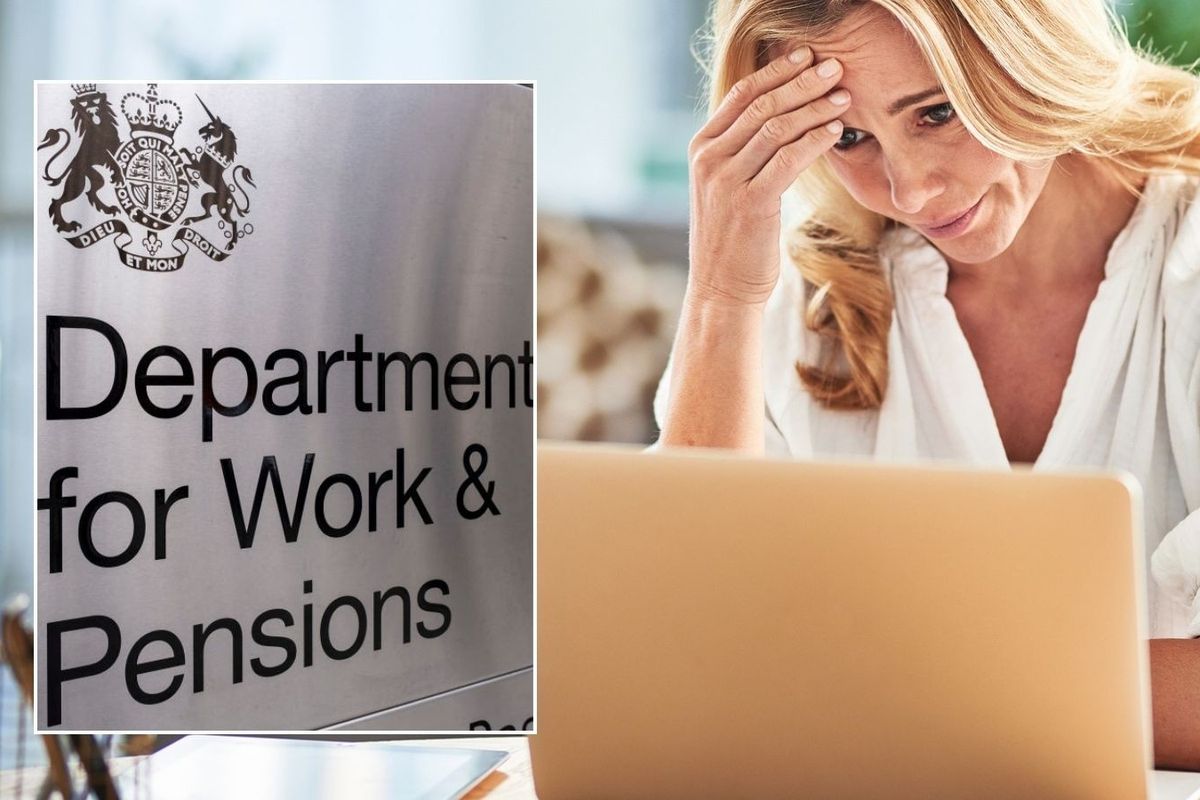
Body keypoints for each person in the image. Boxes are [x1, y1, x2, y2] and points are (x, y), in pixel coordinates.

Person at [654, 0, 1200, 769]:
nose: (911, 192)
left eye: (937, 112)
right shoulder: (800, 307)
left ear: (1032, 54)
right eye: (848, 137)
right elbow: (674, 659)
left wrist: (865, 686)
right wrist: (721, 294)